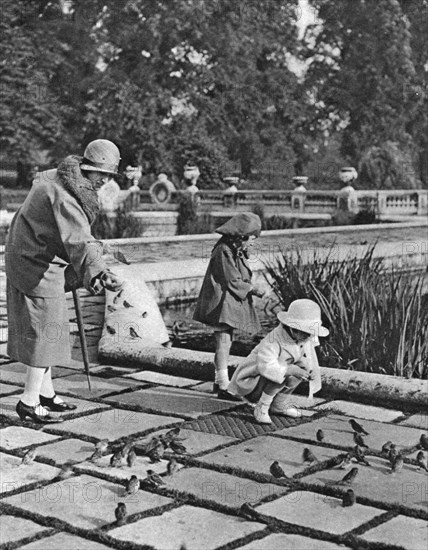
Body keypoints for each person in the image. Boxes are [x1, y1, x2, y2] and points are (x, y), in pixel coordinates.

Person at [5, 139, 124, 424]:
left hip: (33, 254)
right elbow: (79, 240)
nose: (104, 181)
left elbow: (70, 235)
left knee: (54, 325)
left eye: (109, 176)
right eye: (100, 174)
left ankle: (47, 394)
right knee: (45, 331)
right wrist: (100, 270)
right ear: (85, 167)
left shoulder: (56, 177)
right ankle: (28, 401)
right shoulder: (66, 196)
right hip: (34, 263)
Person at [193, 212, 265, 400]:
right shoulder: (224, 250)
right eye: (251, 238)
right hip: (221, 302)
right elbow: (232, 279)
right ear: (240, 236)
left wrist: (244, 248)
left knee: (225, 340)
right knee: (223, 341)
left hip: (227, 302)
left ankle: (220, 381)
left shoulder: (232, 248)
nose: (253, 242)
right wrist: (253, 289)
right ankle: (224, 384)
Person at [228, 299, 329, 423]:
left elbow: (308, 356)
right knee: (283, 371)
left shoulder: (302, 337)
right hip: (253, 381)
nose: (309, 337)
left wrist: (310, 370)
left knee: (302, 368)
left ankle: (278, 404)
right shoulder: (273, 340)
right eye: (306, 333)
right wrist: (290, 369)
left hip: (272, 375)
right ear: (293, 328)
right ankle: (262, 407)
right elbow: (266, 366)